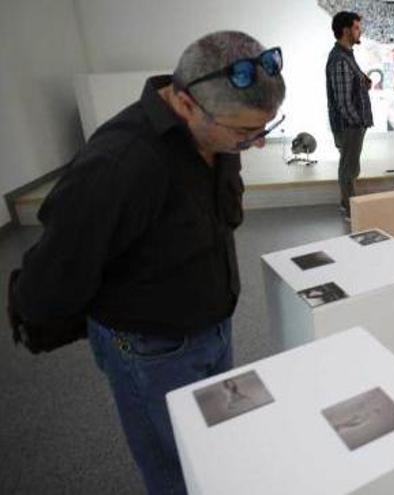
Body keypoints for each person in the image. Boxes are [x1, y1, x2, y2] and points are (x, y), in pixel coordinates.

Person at [8, 31, 285, 493]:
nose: (255, 145)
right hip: (151, 349)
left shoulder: (213, 132)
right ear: (185, 104)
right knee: (176, 467)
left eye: (263, 130)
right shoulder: (120, 163)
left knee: (216, 452)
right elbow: (52, 276)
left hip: (213, 328)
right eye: (244, 133)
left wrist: (234, 139)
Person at [326, 11, 373, 221]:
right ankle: (349, 209)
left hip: (351, 124)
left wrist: (363, 83)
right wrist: (358, 121)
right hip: (349, 125)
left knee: (349, 166)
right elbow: (343, 102)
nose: (359, 31)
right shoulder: (340, 59)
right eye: (356, 27)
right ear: (346, 30)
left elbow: (350, 88)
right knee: (349, 168)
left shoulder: (346, 55)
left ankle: (346, 204)